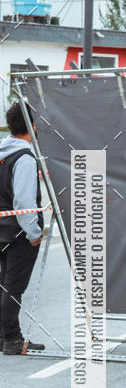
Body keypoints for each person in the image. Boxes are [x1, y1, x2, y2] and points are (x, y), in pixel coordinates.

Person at [0, 103, 45, 354]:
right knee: (13, 287)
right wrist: (34, 233)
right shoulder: (24, 157)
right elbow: (24, 202)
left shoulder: (3, 152)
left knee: (3, 284)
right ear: (33, 127)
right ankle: (13, 339)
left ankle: (3, 336)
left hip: (1, 230)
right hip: (18, 234)